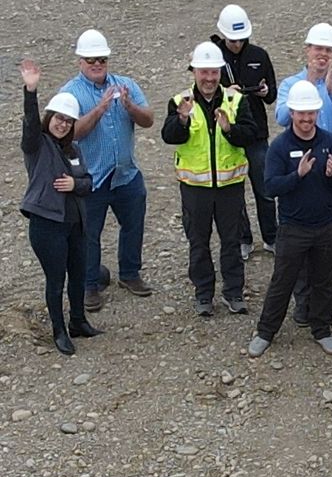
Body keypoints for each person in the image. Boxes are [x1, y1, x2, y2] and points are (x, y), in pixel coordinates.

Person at [248, 80, 332, 357]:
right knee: (282, 281)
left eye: (311, 113)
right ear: (292, 113)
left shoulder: (330, 142)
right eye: (301, 113)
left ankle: (322, 329)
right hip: (293, 228)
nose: (306, 119)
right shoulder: (280, 147)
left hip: (326, 225)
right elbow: (270, 187)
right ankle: (266, 331)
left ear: (317, 113)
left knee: (323, 279)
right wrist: (298, 175)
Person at [60, 29, 156, 312]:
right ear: (80, 61)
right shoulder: (70, 93)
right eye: (91, 59)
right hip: (91, 179)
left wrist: (130, 106)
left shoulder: (125, 85)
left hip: (126, 174)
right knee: (88, 233)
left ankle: (130, 273)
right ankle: (89, 284)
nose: (97, 64)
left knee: (134, 225)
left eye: (101, 59)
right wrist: (99, 110)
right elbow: (69, 134)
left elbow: (149, 119)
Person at [161, 42, 259, 317]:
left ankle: (234, 293)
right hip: (195, 188)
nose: (209, 78)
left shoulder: (236, 100)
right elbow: (169, 136)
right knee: (198, 242)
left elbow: (251, 134)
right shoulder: (180, 102)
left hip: (230, 186)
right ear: (194, 72)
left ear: (220, 73)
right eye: (203, 72)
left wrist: (229, 128)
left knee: (231, 241)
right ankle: (204, 294)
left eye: (214, 72)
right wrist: (181, 120)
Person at [276, 23, 332, 318]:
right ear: (307, 50)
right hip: (299, 170)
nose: (322, 55)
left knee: (330, 237)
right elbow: (280, 117)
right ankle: (303, 299)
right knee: (299, 237)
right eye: (318, 49)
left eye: (328, 50)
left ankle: (328, 291)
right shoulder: (291, 84)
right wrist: (309, 86)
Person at [19, 59, 100, 355]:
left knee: (78, 274)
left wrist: (74, 186)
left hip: (75, 223)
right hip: (47, 225)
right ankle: (59, 331)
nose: (62, 124)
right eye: (58, 118)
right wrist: (31, 91)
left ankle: (78, 321)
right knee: (56, 279)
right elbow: (29, 124)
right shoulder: (37, 145)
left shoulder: (74, 149)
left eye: (68, 121)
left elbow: (89, 182)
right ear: (49, 117)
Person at [211, 4, 279, 260]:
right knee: (234, 191)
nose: (237, 44)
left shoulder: (260, 55)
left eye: (241, 39)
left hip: (256, 134)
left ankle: (271, 237)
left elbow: (272, 94)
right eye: (232, 40)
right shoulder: (213, 57)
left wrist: (263, 92)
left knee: (265, 187)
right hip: (226, 136)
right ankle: (243, 238)